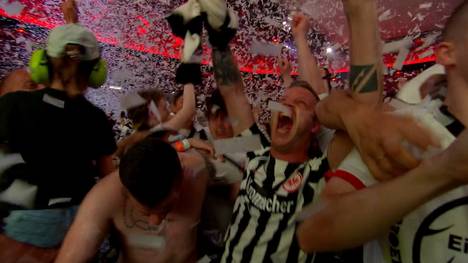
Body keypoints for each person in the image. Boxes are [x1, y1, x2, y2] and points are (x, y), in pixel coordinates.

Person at [296, 1, 468, 263]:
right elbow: (312, 228)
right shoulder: (406, 130)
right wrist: (443, 171)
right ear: (446, 53)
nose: (289, 109)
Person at [0, 0, 116, 261]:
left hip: (25, 223)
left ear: (42, 65)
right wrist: (72, 26)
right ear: (96, 73)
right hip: (78, 225)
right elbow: (109, 178)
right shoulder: (96, 118)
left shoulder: (14, 104)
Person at [56, 132, 210, 263]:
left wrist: (189, 142)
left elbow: (170, 152)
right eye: (145, 212)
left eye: (165, 209)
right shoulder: (103, 198)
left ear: (181, 178)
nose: (154, 221)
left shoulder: (197, 168)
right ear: (126, 191)